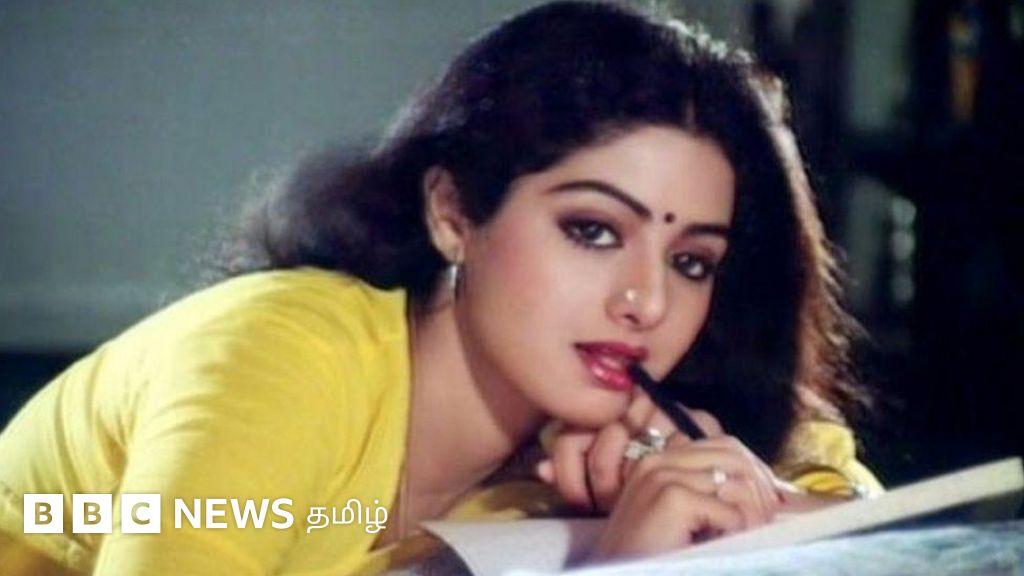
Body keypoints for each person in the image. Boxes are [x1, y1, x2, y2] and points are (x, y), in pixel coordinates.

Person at [0, 2, 882, 574]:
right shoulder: (278, 356)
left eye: (692, 262)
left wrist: (735, 503)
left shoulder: (625, 427)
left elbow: (896, 531)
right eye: (592, 231)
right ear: (453, 213)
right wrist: (620, 568)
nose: (646, 303)